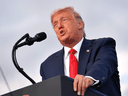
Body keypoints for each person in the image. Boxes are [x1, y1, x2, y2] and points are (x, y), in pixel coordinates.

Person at [40, 7, 121, 96]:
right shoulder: (47, 65)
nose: (59, 26)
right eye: (55, 24)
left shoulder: (102, 45)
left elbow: (104, 64)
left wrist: (89, 78)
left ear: (80, 24)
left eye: (64, 20)